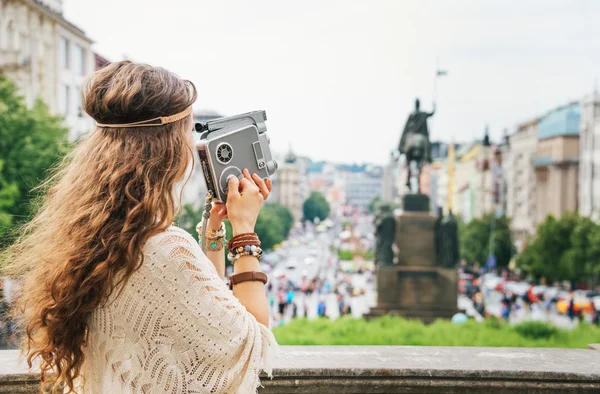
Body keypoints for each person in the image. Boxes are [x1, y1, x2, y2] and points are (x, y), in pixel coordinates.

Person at [1, 61, 277, 393]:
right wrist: (245, 231)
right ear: (169, 145)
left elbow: (209, 310)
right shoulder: (162, 247)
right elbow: (253, 343)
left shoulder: (95, 236)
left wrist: (214, 232)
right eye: (189, 130)